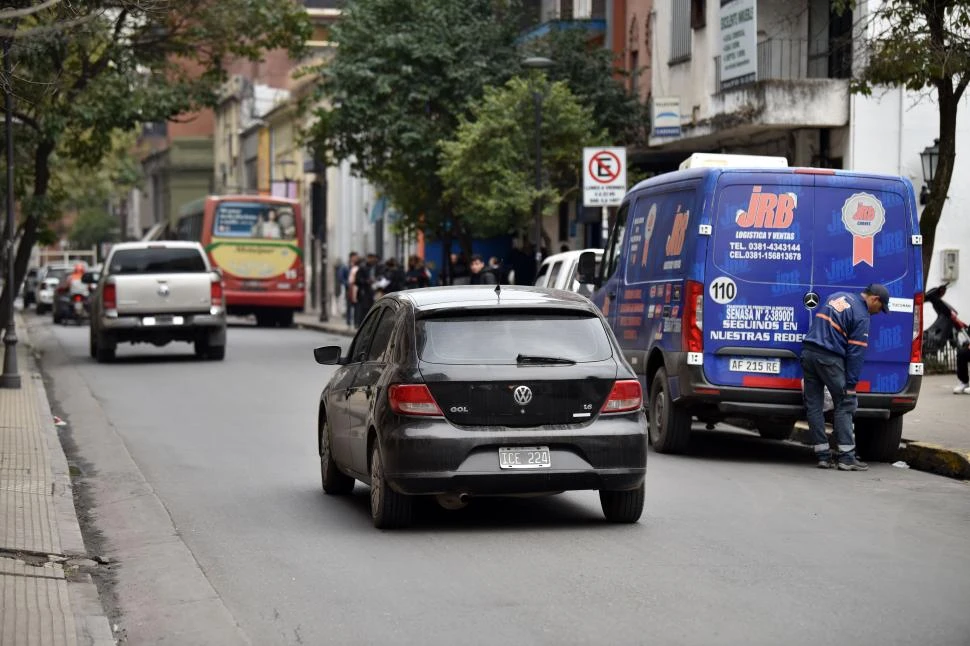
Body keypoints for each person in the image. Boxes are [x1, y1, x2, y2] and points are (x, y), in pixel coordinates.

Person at [800, 283, 891, 471]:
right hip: (829, 358)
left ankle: (823, 456)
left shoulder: (837, 296)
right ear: (874, 299)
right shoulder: (861, 315)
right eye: (880, 307)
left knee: (814, 405)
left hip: (808, 354)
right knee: (845, 402)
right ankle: (847, 457)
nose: (878, 312)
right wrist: (851, 385)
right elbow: (856, 353)